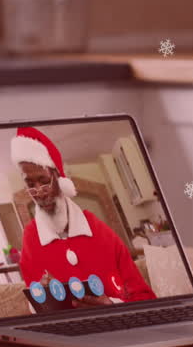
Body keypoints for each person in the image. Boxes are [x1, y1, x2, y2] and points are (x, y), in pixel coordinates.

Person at [11, 126, 156, 306]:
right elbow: (37, 307)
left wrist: (111, 305)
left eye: (44, 181)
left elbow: (144, 297)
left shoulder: (99, 230)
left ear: (59, 178)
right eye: (30, 184)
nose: (39, 192)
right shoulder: (31, 238)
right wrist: (46, 300)